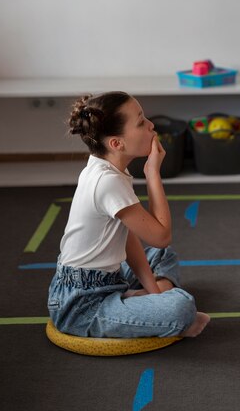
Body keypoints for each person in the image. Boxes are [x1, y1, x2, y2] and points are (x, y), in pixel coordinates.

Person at [47, 91, 210, 338]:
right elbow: (161, 235)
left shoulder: (103, 166)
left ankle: (143, 299)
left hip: (106, 280)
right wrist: (153, 173)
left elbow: (126, 235)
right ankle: (150, 305)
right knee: (181, 306)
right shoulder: (108, 181)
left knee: (163, 256)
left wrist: (154, 292)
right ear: (116, 143)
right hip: (81, 306)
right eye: (141, 122)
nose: (151, 125)